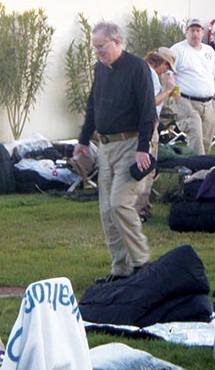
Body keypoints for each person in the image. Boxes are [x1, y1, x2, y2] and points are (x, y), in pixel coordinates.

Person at [74, 21, 157, 283]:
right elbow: (93, 105)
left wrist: (143, 149)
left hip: (131, 146)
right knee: (107, 212)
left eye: (101, 46)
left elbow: (148, 112)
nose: (98, 52)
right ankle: (120, 269)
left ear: (117, 42)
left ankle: (142, 263)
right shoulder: (101, 68)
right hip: (106, 147)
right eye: (95, 47)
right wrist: (83, 140)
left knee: (120, 203)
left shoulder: (137, 68)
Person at [134, 47, 177, 222]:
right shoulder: (150, 74)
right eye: (167, 68)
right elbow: (150, 103)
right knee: (147, 169)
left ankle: (136, 208)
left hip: (137, 125)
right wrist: (167, 90)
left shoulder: (139, 70)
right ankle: (139, 211)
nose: (165, 72)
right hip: (147, 125)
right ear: (163, 63)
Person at [170, 18, 215, 155]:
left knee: (206, 140)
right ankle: (195, 170)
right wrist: (176, 97)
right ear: (186, 32)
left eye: (198, 30)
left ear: (202, 33)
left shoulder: (209, 51)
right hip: (186, 101)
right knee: (195, 134)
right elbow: (167, 75)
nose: (195, 34)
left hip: (209, 103)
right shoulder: (178, 50)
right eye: (192, 30)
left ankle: (201, 170)